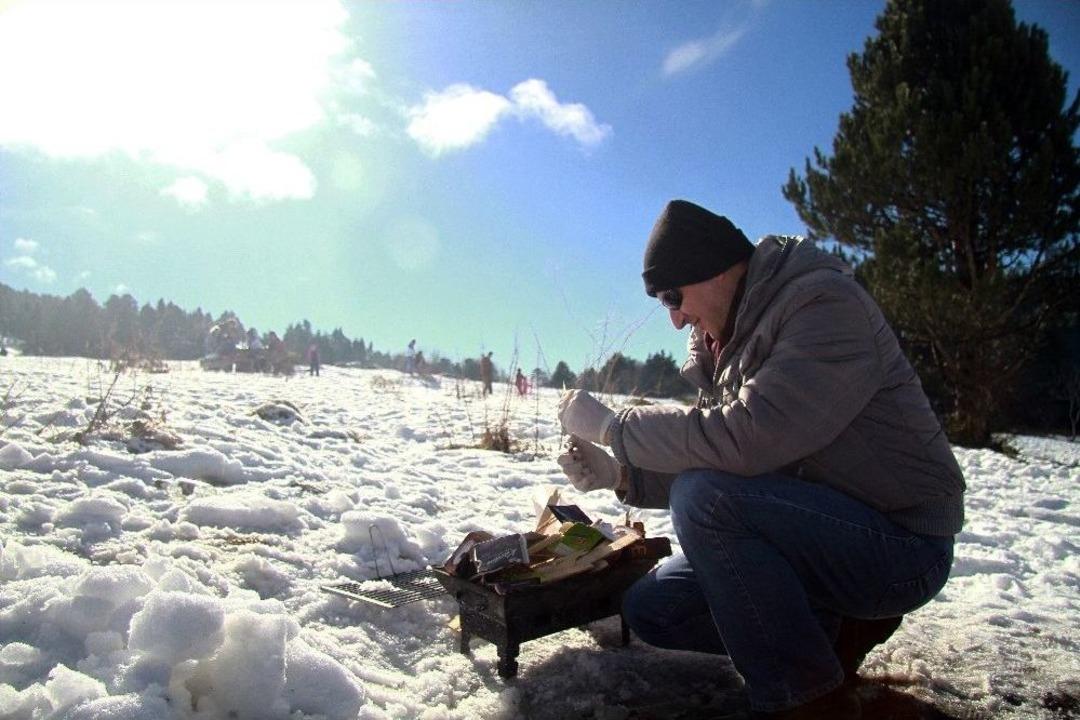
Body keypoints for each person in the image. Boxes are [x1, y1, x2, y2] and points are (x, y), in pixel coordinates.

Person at [557, 200, 965, 719]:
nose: (676, 318)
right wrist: (622, 475)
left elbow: (747, 440)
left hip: (901, 546)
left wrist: (617, 429)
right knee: (652, 608)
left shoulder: (823, 305)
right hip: (817, 531)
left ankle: (807, 699)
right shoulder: (728, 345)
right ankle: (831, 636)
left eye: (672, 296)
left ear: (719, 271)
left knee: (704, 500)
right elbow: (726, 461)